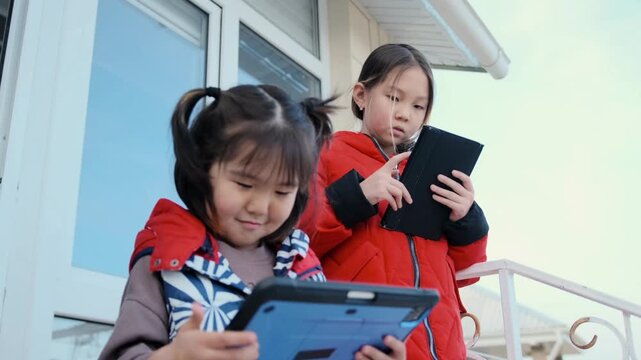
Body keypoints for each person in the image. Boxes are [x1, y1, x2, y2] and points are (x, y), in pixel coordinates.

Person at [99, 85, 407, 360]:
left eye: (282, 190)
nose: (259, 206)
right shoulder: (165, 258)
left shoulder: (302, 262)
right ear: (203, 169)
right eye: (244, 184)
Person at [300, 44, 489, 360]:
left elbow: (467, 271)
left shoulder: (430, 169)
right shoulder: (326, 153)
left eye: (419, 106)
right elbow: (301, 241)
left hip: (443, 345)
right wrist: (359, 196)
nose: (405, 113)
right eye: (394, 98)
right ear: (361, 95)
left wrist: (466, 217)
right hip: (363, 341)